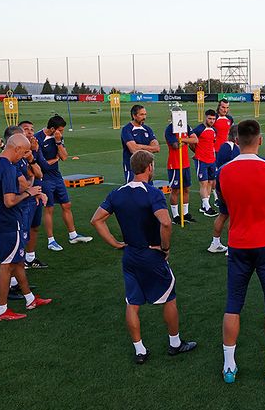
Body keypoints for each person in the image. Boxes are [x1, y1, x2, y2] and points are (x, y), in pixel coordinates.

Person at [90, 150, 197, 364]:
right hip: (151, 254)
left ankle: (140, 350)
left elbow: (96, 220)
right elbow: (166, 222)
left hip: (129, 255)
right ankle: (175, 343)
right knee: (169, 298)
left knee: (132, 302)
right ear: (149, 168)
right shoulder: (153, 193)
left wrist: (115, 242)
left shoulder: (117, 193)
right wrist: (165, 248)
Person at [216, 120, 265, 384]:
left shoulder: (224, 171)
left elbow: (225, 203)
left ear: (236, 140)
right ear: (260, 140)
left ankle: (229, 367)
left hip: (238, 243)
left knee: (233, 304)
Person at [0, 134, 52, 321]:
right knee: (7, 265)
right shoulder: (7, 167)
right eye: (23, 152)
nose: (23, 156)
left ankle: (29, 299)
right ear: (15, 149)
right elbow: (9, 201)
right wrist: (29, 193)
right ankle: (2, 310)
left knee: (18, 262)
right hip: (9, 222)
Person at [36, 115, 92, 251]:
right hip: (45, 178)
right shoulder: (37, 139)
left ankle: (73, 235)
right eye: (60, 130)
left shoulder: (58, 138)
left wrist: (58, 142)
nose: (62, 132)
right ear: (53, 128)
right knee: (49, 208)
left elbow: (64, 157)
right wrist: (55, 160)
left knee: (66, 204)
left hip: (57, 177)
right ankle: (51, 241)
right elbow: (41, 164)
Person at [18, 120, 48, 269]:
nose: (30, 132)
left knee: (35, 227)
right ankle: (20, 261)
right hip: (26, 196)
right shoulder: (18, 151)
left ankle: (30, 258)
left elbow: (41, 170)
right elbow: (30, 174)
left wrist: (35, 152)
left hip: (37, 192)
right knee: (24, 230)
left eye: (32, 129)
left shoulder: (35, 148)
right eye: (26, 129)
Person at [209, 125, 241, 254]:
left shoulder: (224, 146)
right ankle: (231, 246)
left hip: (222, 183)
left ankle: (215, 243)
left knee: (224, 214)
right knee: (234, 215)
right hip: (229, 184)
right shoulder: (232, 148)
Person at [164, 119, 197, 223]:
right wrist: (187, 140)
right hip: (174, 164)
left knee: (186, 189)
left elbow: (195, 140)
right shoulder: (169, 129)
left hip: (185, 163)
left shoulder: (186, 126)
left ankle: (185, 213)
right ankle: (175, 215)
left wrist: (182, 140)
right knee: (175, 190)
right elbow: (175, 146)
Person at [122, 105, 161, 183]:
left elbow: (157, 148)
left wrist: (138, 146)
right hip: (132, 168)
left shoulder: (147, 129)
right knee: (134, 193)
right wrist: (149, 148)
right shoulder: (127, 129)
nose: (144, 117)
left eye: (145, 114)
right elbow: (133, 149)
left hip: (147, 168)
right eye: (141, 114)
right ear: (134, 115)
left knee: (148, 192)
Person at [192, 109, 220, 217]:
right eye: (210, 118)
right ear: (205, 118)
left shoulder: (214, 130)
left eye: (214, 119)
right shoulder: (199, 129)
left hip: (211, 160)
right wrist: (196, 152)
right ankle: (207, 207)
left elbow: (211, 144)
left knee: (210, 182)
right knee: (203, 183)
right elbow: (192, 141)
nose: (212, 121)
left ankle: (204, 205)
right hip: (201, 160)